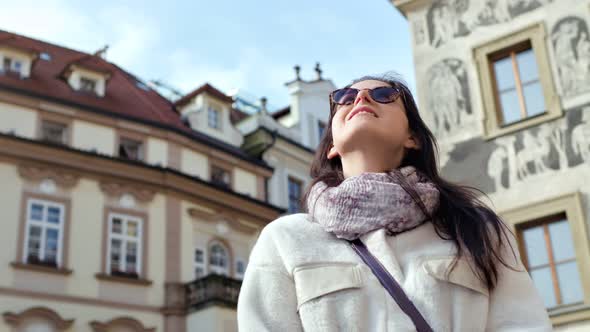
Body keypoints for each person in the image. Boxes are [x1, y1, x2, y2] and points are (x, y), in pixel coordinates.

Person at [236, 74, 552, 331]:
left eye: (384, 94)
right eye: (345, 98)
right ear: (332, 145)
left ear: (412, 137)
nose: (360, 98)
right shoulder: (286, 238)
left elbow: (523, 325)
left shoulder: (476, 228)